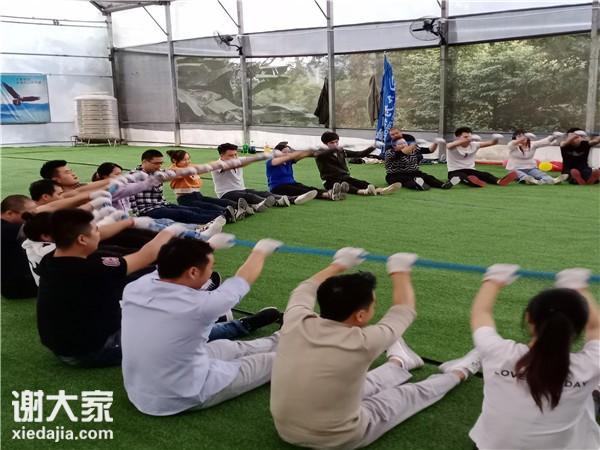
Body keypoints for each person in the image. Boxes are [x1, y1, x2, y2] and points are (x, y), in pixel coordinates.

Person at [270, 248, 479, 449]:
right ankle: (459, 372)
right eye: (373, 305)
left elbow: (306, 287)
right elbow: (404, 309)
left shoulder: (295, 319)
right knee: (408, 394)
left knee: (363, 382)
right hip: (341, 438)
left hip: (286, 431)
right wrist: (399, 270)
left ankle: (399, 362)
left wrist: (339, 264)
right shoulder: (364, 341)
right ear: (360, 315)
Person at [121, 235, 284, 416]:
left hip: (141, 389)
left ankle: (282, 338)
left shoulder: (136, 287)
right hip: (180, 395)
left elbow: (173, 262)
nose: (211, 271)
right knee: (274, 361)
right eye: (211, 267)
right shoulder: (200, 305)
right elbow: (242, 280)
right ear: (193, 272)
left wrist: (208, 245)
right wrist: (260, 251)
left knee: (228, 347)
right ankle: (293, 346)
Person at [468, 264, 600, 449]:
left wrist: (493, 280)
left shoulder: (497, 352)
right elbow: (596, 328)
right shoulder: (591, 365)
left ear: (529, 318)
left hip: (490, 446)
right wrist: (579, 288)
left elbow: (481, 313)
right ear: (580, 325)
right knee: (588, 401)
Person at [36, 208, 182, 367]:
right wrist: (171, 231)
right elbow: (146, 256)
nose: (99, 233)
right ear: (82, 239)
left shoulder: (51, 259)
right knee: (177, 329)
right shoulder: (92, 268)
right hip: (92, 351)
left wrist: (130, 222)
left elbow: (100, 234)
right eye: (96, 230)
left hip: (63, 346)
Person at [128, 149, 227, 226]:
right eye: (156, 163)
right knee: (183, 213)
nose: (159, 166)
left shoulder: (159, 172)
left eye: (161, 163)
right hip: (147, 211)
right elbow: (130, 198)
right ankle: (219, 218)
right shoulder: (134, 176)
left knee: (191, 209)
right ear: (144, 162)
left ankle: (222, 214)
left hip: (162, 205)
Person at [212, 143, 313, 209]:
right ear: (221, 155)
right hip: (226, 194)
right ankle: (272, 202)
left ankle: (293, 199)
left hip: (241, 189)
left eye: (235, 154)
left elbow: (252, 159)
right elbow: (230, 166)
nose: (234, 157)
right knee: (250, 196)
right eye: (231, 155)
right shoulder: (217, 165)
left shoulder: (238, 159)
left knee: (263, 193)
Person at [166, 150, 250, 222]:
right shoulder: (172, 170)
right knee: (210, 207)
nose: (188, 161)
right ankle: (228, 214)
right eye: (184, 160)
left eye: (188, 159)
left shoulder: (190, 166)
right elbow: (182, 172)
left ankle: (237, 208)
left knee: (219, 202)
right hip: (185, 200)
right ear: (174, 160)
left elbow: (205, 166)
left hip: (198, 196)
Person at [317, 131, 400, 195]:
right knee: (346, 185)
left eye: (336, 142)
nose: (335, 144)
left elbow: (359, 154)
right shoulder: (320, 154)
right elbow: (323, 154)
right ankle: (364, 192)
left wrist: (373, 147)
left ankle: (381, 190)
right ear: (325, 143)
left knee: (361, 182)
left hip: (344, 177)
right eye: (332, 143)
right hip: (330, 181)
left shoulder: (341, 151)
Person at [267, 141, 344, 201]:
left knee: (307, 188)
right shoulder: (272, 161)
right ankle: (327, 195)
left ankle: (330, 192)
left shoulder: (288, 161)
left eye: (289, 152)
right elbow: (287, 158)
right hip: (278, 188)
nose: (288, 154)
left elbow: (303, 155)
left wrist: (311, 151)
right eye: (285, 152)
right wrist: (294, 154)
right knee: (301, 191)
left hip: (292, 184)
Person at [386, 128, 459, 190]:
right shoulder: (390, 152)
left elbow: (429, 150)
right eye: (400, 144)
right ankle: (418, 185)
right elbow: (403, 152)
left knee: (428, 178)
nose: (403, 145)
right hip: (396, 175)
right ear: (394, 146)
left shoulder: (413, 148)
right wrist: (414, 144)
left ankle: (443, 185)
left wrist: (436, 142)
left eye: (404, 143)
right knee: (407, 181)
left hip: (413, 172)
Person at [444, 127, 518, 187]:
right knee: (461, 176)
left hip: (470, 170)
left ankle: (499, 181)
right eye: (465, 137)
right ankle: (474, 182)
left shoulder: (474, 145)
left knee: (485, 174)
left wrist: (496, 138)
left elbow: (492, 143)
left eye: (470, 136)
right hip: (454, 171)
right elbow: (448, 146)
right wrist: (465, 140)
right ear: (457, 137)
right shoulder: (452, 146)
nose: (469, 139)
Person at [1, 195, 38, 298]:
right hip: (19, 287)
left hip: (11, 285)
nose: (33, 216)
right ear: (9, 213)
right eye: (30, 214)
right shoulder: (11, 230)